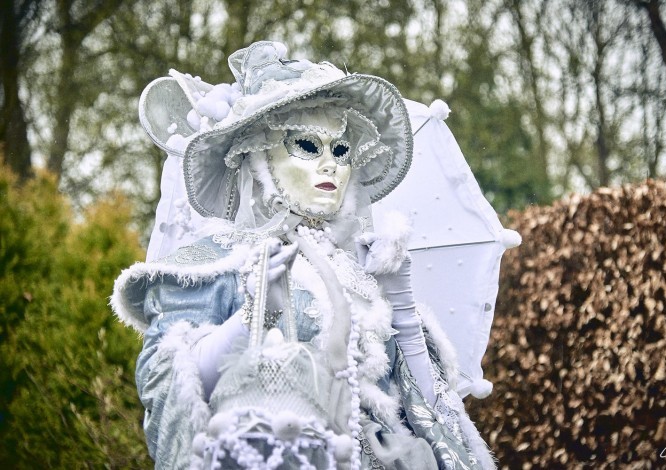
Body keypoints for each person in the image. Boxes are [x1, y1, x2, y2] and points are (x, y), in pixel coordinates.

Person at [112, 41, 495, 469]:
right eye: (308, 146)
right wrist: (252, 319)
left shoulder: (361, 275)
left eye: (341, 149)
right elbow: (168, 384)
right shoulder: (217, 261)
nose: (330, 164)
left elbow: (433, 418)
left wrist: (401, 309)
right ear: (256, 156)